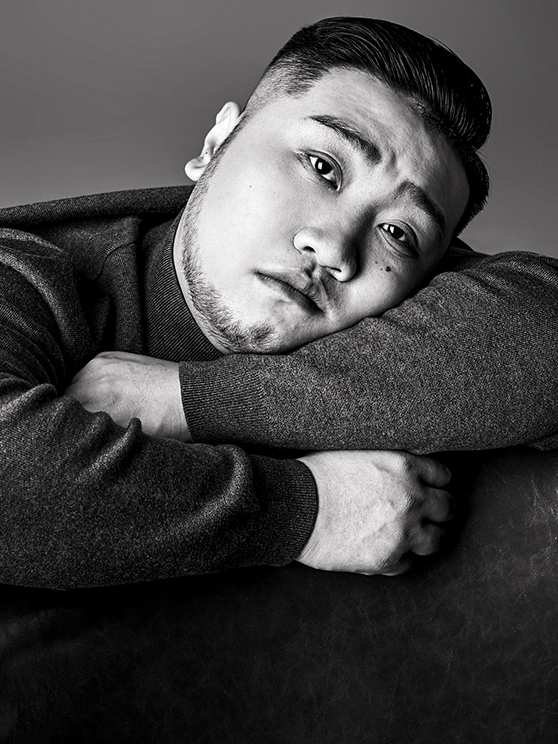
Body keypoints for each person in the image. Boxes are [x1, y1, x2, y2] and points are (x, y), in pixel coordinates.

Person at [0, 18, 556, 590]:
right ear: (215, 145)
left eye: (398, 233)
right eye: (322, 167)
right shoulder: (28, 271)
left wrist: (191, 399)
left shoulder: (412, 324)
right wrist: (310, 510)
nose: (335, 247)